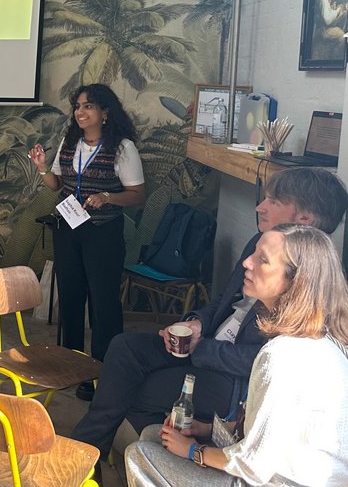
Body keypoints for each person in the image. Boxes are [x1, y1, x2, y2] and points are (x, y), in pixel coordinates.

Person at [71, 167, 348, 467]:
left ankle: (159, 462)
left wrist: (201, 348)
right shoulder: (260, 243)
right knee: (125, 348)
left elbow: (262, 364)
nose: (260, 206)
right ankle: (87, 456)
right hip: (207, 346)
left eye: (274, 200)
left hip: (234, 383)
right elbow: (221, 302)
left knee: (139, 391)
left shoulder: (312, 281)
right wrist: (196, 323)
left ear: (304, 220)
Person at [125, 224, 348, 486]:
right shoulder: (323, 340)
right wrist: (207, 430)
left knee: (139, 455)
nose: (247, 262)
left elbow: (255, 466)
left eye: (262, 260)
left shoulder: (284, 355)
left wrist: (193, 451)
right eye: (254, 253)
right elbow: (275, 434)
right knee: (154, 436)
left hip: (280, 481)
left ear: (294, 283)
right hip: (278, 470)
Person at [27, 83, 145, 398]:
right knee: (71, 297)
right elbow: (56, 185)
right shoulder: (69, 142)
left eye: (88, 106)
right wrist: (41, 168)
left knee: (103, 303)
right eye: (77, 106)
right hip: (68, 229)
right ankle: (72, 366)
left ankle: (103, 373)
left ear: (105, 113)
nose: (80, 112)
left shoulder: (122, 147)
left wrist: (108, 196)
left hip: (103, 234)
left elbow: (137, 194)